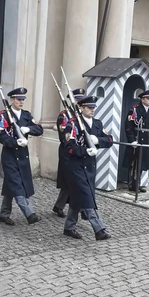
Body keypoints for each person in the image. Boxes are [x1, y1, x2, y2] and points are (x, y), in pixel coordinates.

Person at [62, 96, 113, 240]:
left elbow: (109, 140)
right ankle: (99, 230)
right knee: (86, 196)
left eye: (93, 108)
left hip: (90, 166)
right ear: (81, 108)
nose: (92, 110)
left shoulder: (97, 124)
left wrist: (98, 140)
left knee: (79, 197)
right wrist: (84, 151)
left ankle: (69, 227)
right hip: (76, 166)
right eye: (89, 107)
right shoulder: (73, 124)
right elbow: (69, 147)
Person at [0, 87, 43, 225]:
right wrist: (14, 141)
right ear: (12, 99)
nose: (21, 102)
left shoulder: (26, 115)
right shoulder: (4, 115)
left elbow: (39, 129)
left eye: (23, 100)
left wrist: (28, 129)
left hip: (23, 155)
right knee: (17, 185)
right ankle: (30, 214)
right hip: (9, 155)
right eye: (18, 99)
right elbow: (1, 136)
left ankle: (4, 214)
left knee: (12, 183)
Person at [52, 88, 85, 218]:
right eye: (77, 99)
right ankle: (83, 209)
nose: (79, 102)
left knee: (76, 181)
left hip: (80, 151)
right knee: (70, 181)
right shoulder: (64, 115)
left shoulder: (81, 115)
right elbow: (63, 136)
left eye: (81, 100)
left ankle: (60, 206)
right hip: (68, 151)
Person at [122, 90, 149, 192]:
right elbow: (128, 126)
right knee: (134, 162)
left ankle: (138, 184)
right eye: (148, 99)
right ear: (142, 99)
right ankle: (132, 184)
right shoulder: (135, 110)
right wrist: (131, 140)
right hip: (137, 138)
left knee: (142, 163)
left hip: (146, 139)